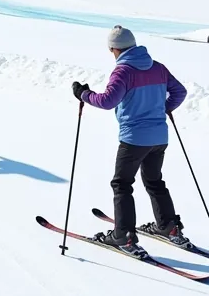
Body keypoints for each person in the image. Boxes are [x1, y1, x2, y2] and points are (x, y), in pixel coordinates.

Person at [72, 26, 189, 257]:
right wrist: (161, 109)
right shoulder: (158, 67)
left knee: (122, 184)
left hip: (134, 139)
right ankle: (169, 226)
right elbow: (180, 92)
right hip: (159, 138)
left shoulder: (123, 72)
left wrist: (83, 95)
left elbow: (107, 101)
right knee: (154, 181)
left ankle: (123, 236)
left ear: (113, 49)